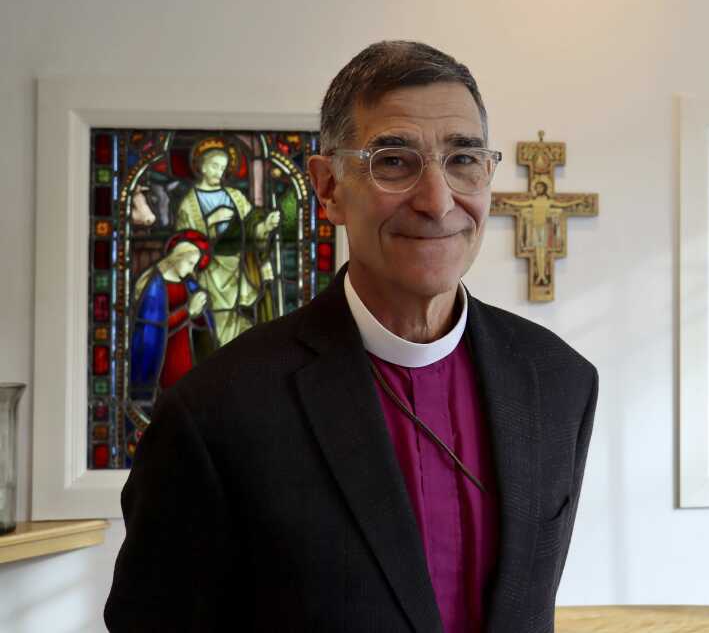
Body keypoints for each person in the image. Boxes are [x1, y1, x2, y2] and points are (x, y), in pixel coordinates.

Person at [105, 41, 599, 633]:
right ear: (328, 187)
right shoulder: (214, 411)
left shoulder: (559, 382)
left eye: (463, 160)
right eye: (394, 161)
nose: (438, 201)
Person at [174, 138, 282, 346]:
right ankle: (223, 357)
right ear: (202, 166)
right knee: (218, 317)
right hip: (209, 270)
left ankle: (238, 355)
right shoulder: (189, 203)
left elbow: (251, 227)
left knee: (238, 315)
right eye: (214, 166)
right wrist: (211, 223)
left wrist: (265, 226)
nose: (219, 172)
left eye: (222, 168)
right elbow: (184, 243)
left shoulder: (235, 196)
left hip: (238, 266)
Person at [129, 230, 217, 402]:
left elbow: (202, 325)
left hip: (186, 350)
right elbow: (151, 328)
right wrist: (188, 312)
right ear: (178, 256)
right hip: (161, 357)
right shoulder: (154, 286)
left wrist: (200, 312)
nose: (192, 269)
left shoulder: (190, 284)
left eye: (195, 265)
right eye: (191, 263)